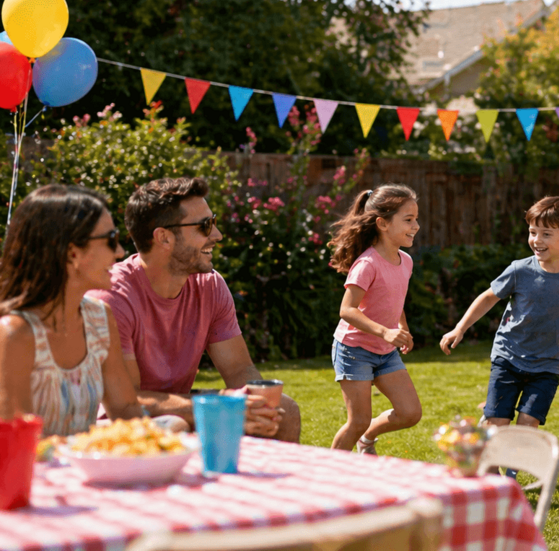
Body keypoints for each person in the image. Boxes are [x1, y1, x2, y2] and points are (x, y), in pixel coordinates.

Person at [88, 178, 300, 441]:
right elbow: (128, 400)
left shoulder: (210, 285)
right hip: (117, 423)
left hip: (181, 409)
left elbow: (238, 370)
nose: (217, 235)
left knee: (284, 410)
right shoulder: (112, 297)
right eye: (205, 226)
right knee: (176, 424)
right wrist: (219, 408)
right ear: (163, 237)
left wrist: (259, 406)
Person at [440, 196, 559, 432]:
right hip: (509, 356)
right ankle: (490, 458)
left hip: (549, 364)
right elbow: (488, 297)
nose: (537, 240)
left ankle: (509, 468)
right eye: (532, 232)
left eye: (546, 234)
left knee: (527, 427)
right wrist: (460, 328)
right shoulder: (520, 270)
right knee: (498, 424)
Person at [0, 185, 146, 436]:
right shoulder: (15, 335)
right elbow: (16, 442)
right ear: (72, 252)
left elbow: (126, 408)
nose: (121, 252)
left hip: (87, 472)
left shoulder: (100, 318)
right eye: (111, 240)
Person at [326, 185, 423, 455]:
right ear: (382, 223)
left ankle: (367, 437)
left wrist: (402, 327)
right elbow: (347, 310)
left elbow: (395, 299)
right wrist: (385, 332)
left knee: (410, 412)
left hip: (384, 351)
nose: (416, 225)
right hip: (354, 350)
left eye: (416, 218)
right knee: (357, 420)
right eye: (408, 219)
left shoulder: (405, 261)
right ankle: (328, 473)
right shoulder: (367, 264)